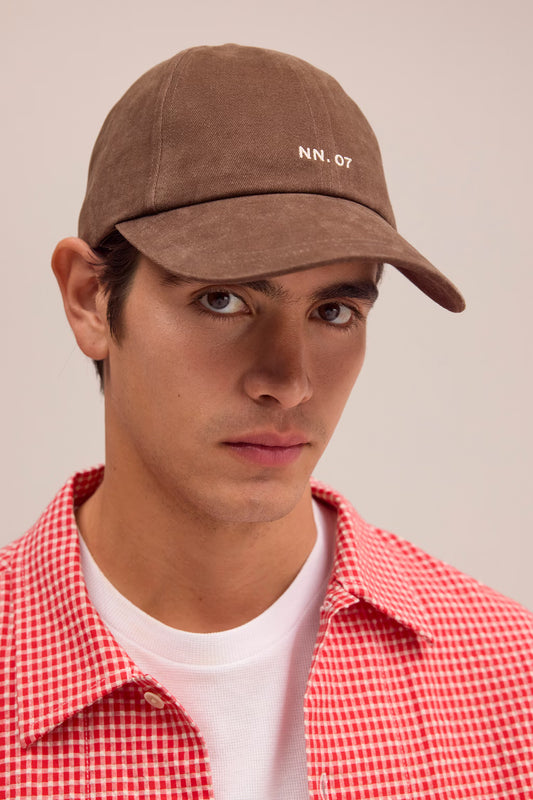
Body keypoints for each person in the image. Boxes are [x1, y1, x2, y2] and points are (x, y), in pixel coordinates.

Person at [1, 43, 532, 799]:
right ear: (90, 298)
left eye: (334, 311)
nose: (288, 382)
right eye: (223, 300)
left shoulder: (509, 680)